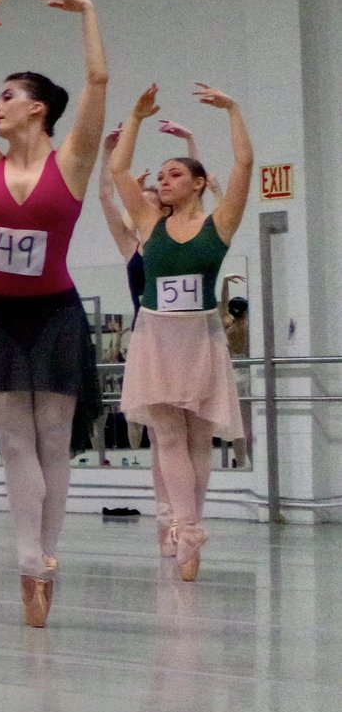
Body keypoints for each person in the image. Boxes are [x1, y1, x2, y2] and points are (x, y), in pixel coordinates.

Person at [0, 0, 110, 628]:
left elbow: (97, 78)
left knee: (53, 441)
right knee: (13, 443)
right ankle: (27, 561)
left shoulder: (75, 161)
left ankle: (50, 559)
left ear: (37, 108)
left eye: (6, 95)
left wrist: (87, 14)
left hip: (56, 314)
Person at [109, 83, 251, 581]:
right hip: (156, 339)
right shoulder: (150, 223)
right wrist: (135, 116)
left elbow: (243, 168)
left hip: (201, 340)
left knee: (197, 438)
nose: (164, 181)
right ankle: (184, 529)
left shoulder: (220, 225)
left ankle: (189, 526)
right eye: (162, 175)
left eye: (174, 175)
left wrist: (233, 109)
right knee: (168, 434)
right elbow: (118, 172)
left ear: (196, 183)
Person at [96, 125, 178, 554]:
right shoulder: (131, 248)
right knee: (160, 436)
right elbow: (106, 198)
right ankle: (166, 518)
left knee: (179, 437)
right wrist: (108, 156)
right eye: (139, 204)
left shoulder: (178, 238)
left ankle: (180, 517)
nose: (142, 210)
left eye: (150, 203)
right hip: (146, 341)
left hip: (180, 339)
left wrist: (189, 147)